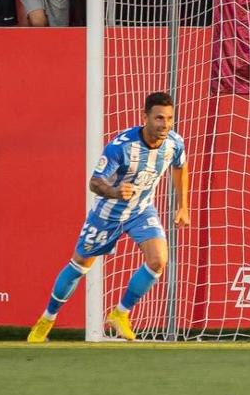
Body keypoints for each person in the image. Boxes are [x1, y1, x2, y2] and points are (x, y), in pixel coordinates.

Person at [27, 93, 189, 343]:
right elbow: (95, 182)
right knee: (80, 265)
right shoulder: (121, 147)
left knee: (158, 260)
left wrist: (183, 206)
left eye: (169, 118)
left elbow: (180, 166)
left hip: (141, 210)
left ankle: (120, 314)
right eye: (158, 118)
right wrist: (115, 192)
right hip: (107, 213)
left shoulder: (174, 143)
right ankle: (47, 319)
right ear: (145, 117)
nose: (164, 124)